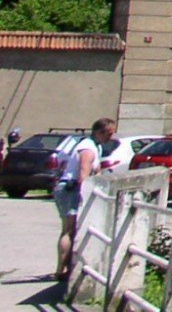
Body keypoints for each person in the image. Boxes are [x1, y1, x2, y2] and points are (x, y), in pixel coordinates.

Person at [54, 118, 116, 281]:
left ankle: (64, 267)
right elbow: (83, 176)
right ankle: (62, 269)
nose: (111, 137)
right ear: (98, 132)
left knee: (71, 230)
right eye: (109, 133)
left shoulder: (96, 146)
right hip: (71, 190)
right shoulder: (88, 148)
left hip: (69, 189)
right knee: (69, 230)